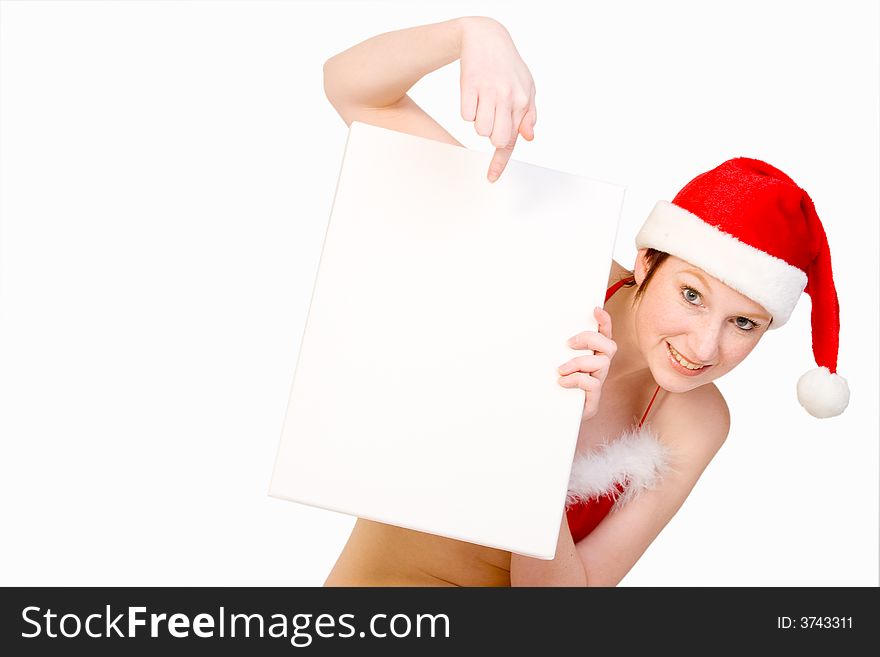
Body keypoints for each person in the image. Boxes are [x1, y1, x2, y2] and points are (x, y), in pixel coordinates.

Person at [320, 16, 849, 587]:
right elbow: (352, 90)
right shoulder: (550, 260)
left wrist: (547, 440)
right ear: (648, 260)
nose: (705, 347)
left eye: (744, 322)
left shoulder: (697, 420)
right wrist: (473, 33)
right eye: (691, 294)